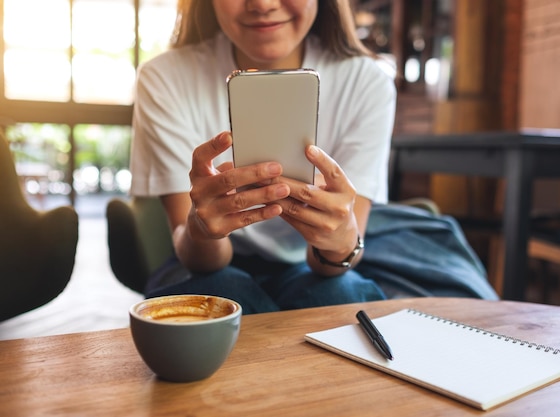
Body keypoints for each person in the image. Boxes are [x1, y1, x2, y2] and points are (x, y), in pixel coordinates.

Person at [129, 0, 397, 314]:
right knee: (220, 291)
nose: (263, 4)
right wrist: (203, 231)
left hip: (316, 265)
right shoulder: (165, 78)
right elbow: (200, 259)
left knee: (337, 295)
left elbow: (330, 265)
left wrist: (339, 241)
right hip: (209, 265)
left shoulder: (367, 82)